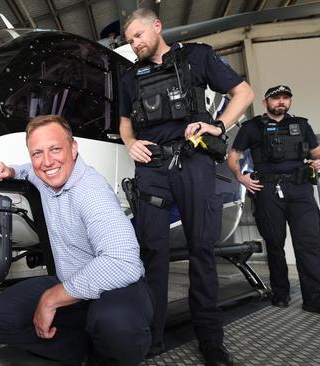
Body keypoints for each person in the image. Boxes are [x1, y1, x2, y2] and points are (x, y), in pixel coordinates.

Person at [119, 8, 254, 365]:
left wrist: (219, 126)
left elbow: (244, 92)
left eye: (138, 36)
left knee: (202, 251)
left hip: (193, 163)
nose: (134, 44)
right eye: (130, 40)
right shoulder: (129, 76)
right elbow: (124, 123)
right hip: (151, 169)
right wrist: (130, 142)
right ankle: (152, 337)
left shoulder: (197, 56)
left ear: (157, 27)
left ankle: (210, 339)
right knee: (151, 255)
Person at [0, 115, 152, 365]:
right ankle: (83, 352)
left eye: (55, 149)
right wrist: (11, 170)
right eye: (37, 153)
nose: (47, 161)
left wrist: (51, 299)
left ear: (73, 149)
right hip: (72, 286)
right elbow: (30, 170)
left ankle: (111, 354)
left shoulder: (92, 192)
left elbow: (123, 261)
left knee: (116, 325)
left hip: (115, 288)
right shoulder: (45, 173)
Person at [227, 85, 320, 320]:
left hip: (300, 190)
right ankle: (280, 293)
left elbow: (318, 150)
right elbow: (233, 156)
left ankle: (315, 300)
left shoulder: (301, 125)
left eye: (285, 98)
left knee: (308, 245)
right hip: (267, 190)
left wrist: (319, 160)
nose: (281, 102)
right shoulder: (252, 127)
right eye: (276, 99)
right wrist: (241, 178)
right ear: (265, 103)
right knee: (274, 245)